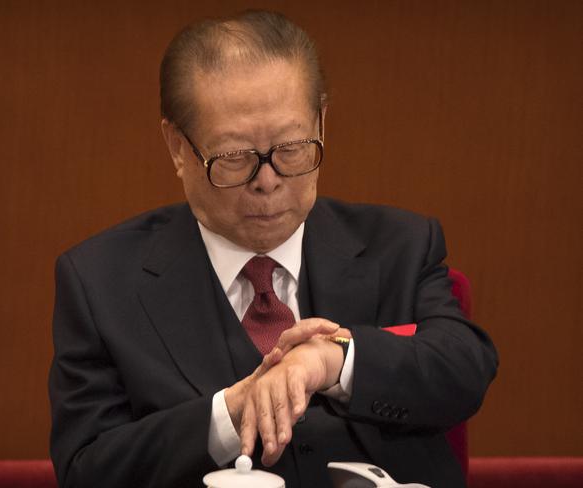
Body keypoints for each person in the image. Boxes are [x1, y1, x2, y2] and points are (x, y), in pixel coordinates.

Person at [48, 10, 498, 488]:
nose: (268, 182)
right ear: (178, 147)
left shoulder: (401, 244)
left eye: (291, 148)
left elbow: (463, 368)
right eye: (235, 158)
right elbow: (87, 468)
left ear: (321, 124)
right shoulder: (101, 281)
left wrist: (335, 360)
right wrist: (230, 412)